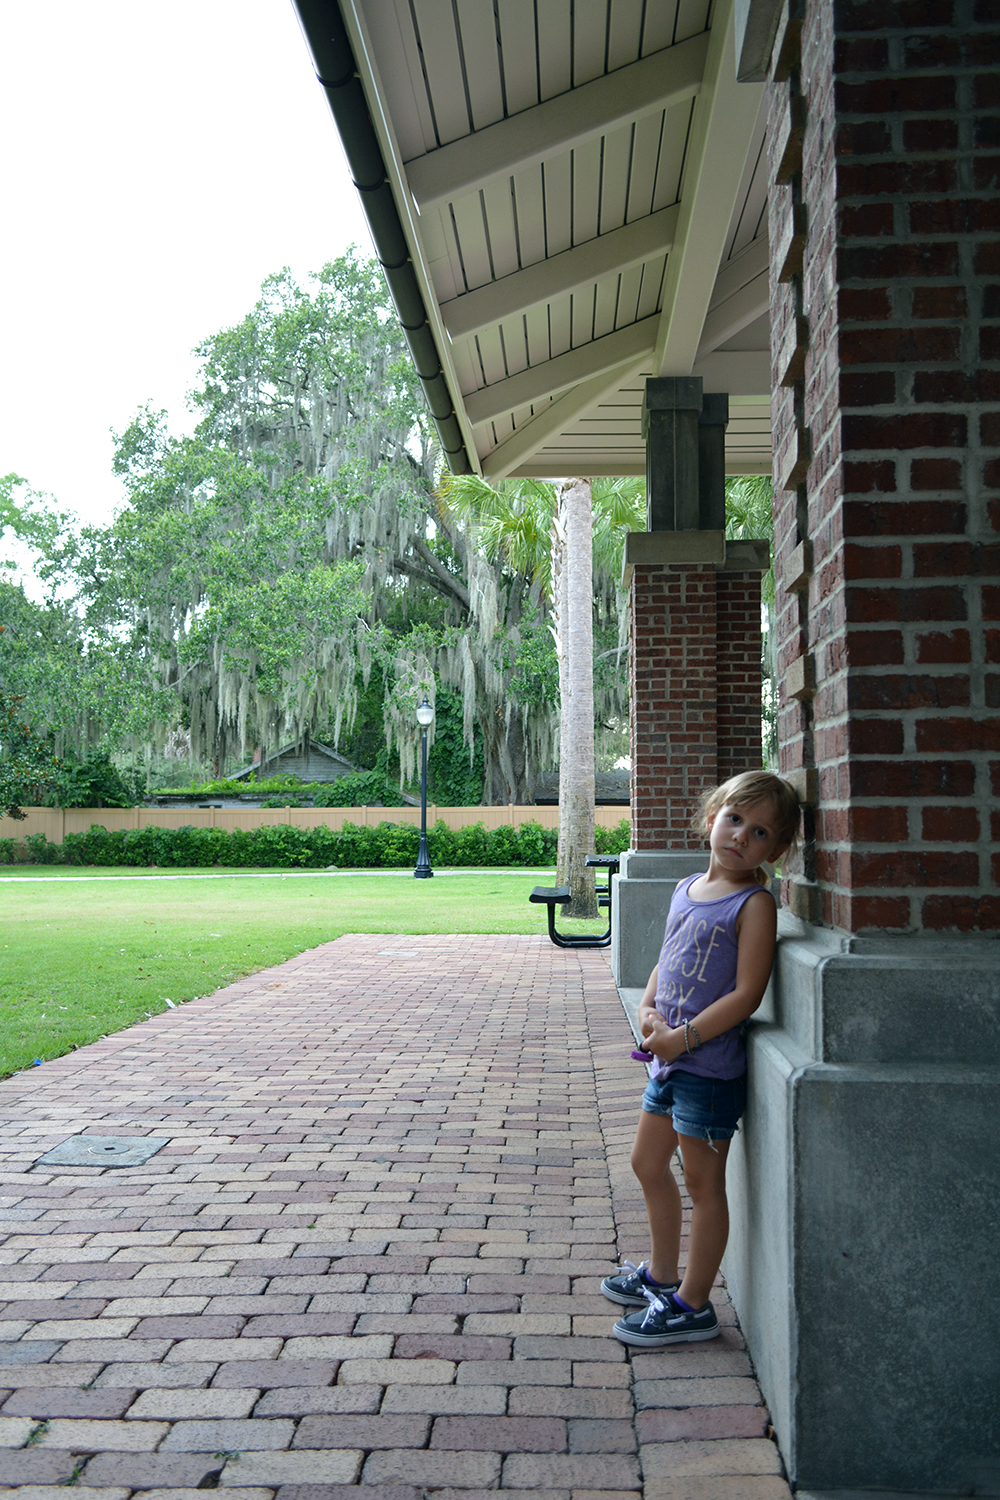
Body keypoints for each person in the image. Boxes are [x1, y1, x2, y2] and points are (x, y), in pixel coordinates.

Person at [602, 770, 801, 1347]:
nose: (742, 836)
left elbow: (745, 994)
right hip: (668, 1060)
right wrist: (645, 1007)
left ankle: (693, 1304)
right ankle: (662, 1276)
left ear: (777, 850)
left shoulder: (754, 903)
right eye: (736, 819)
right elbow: (667, 960)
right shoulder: (685, 887)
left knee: (703, 1184)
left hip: (707, 1071)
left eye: (761, 832)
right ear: (713, 816)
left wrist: (683, 1038)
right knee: (645, 1163)